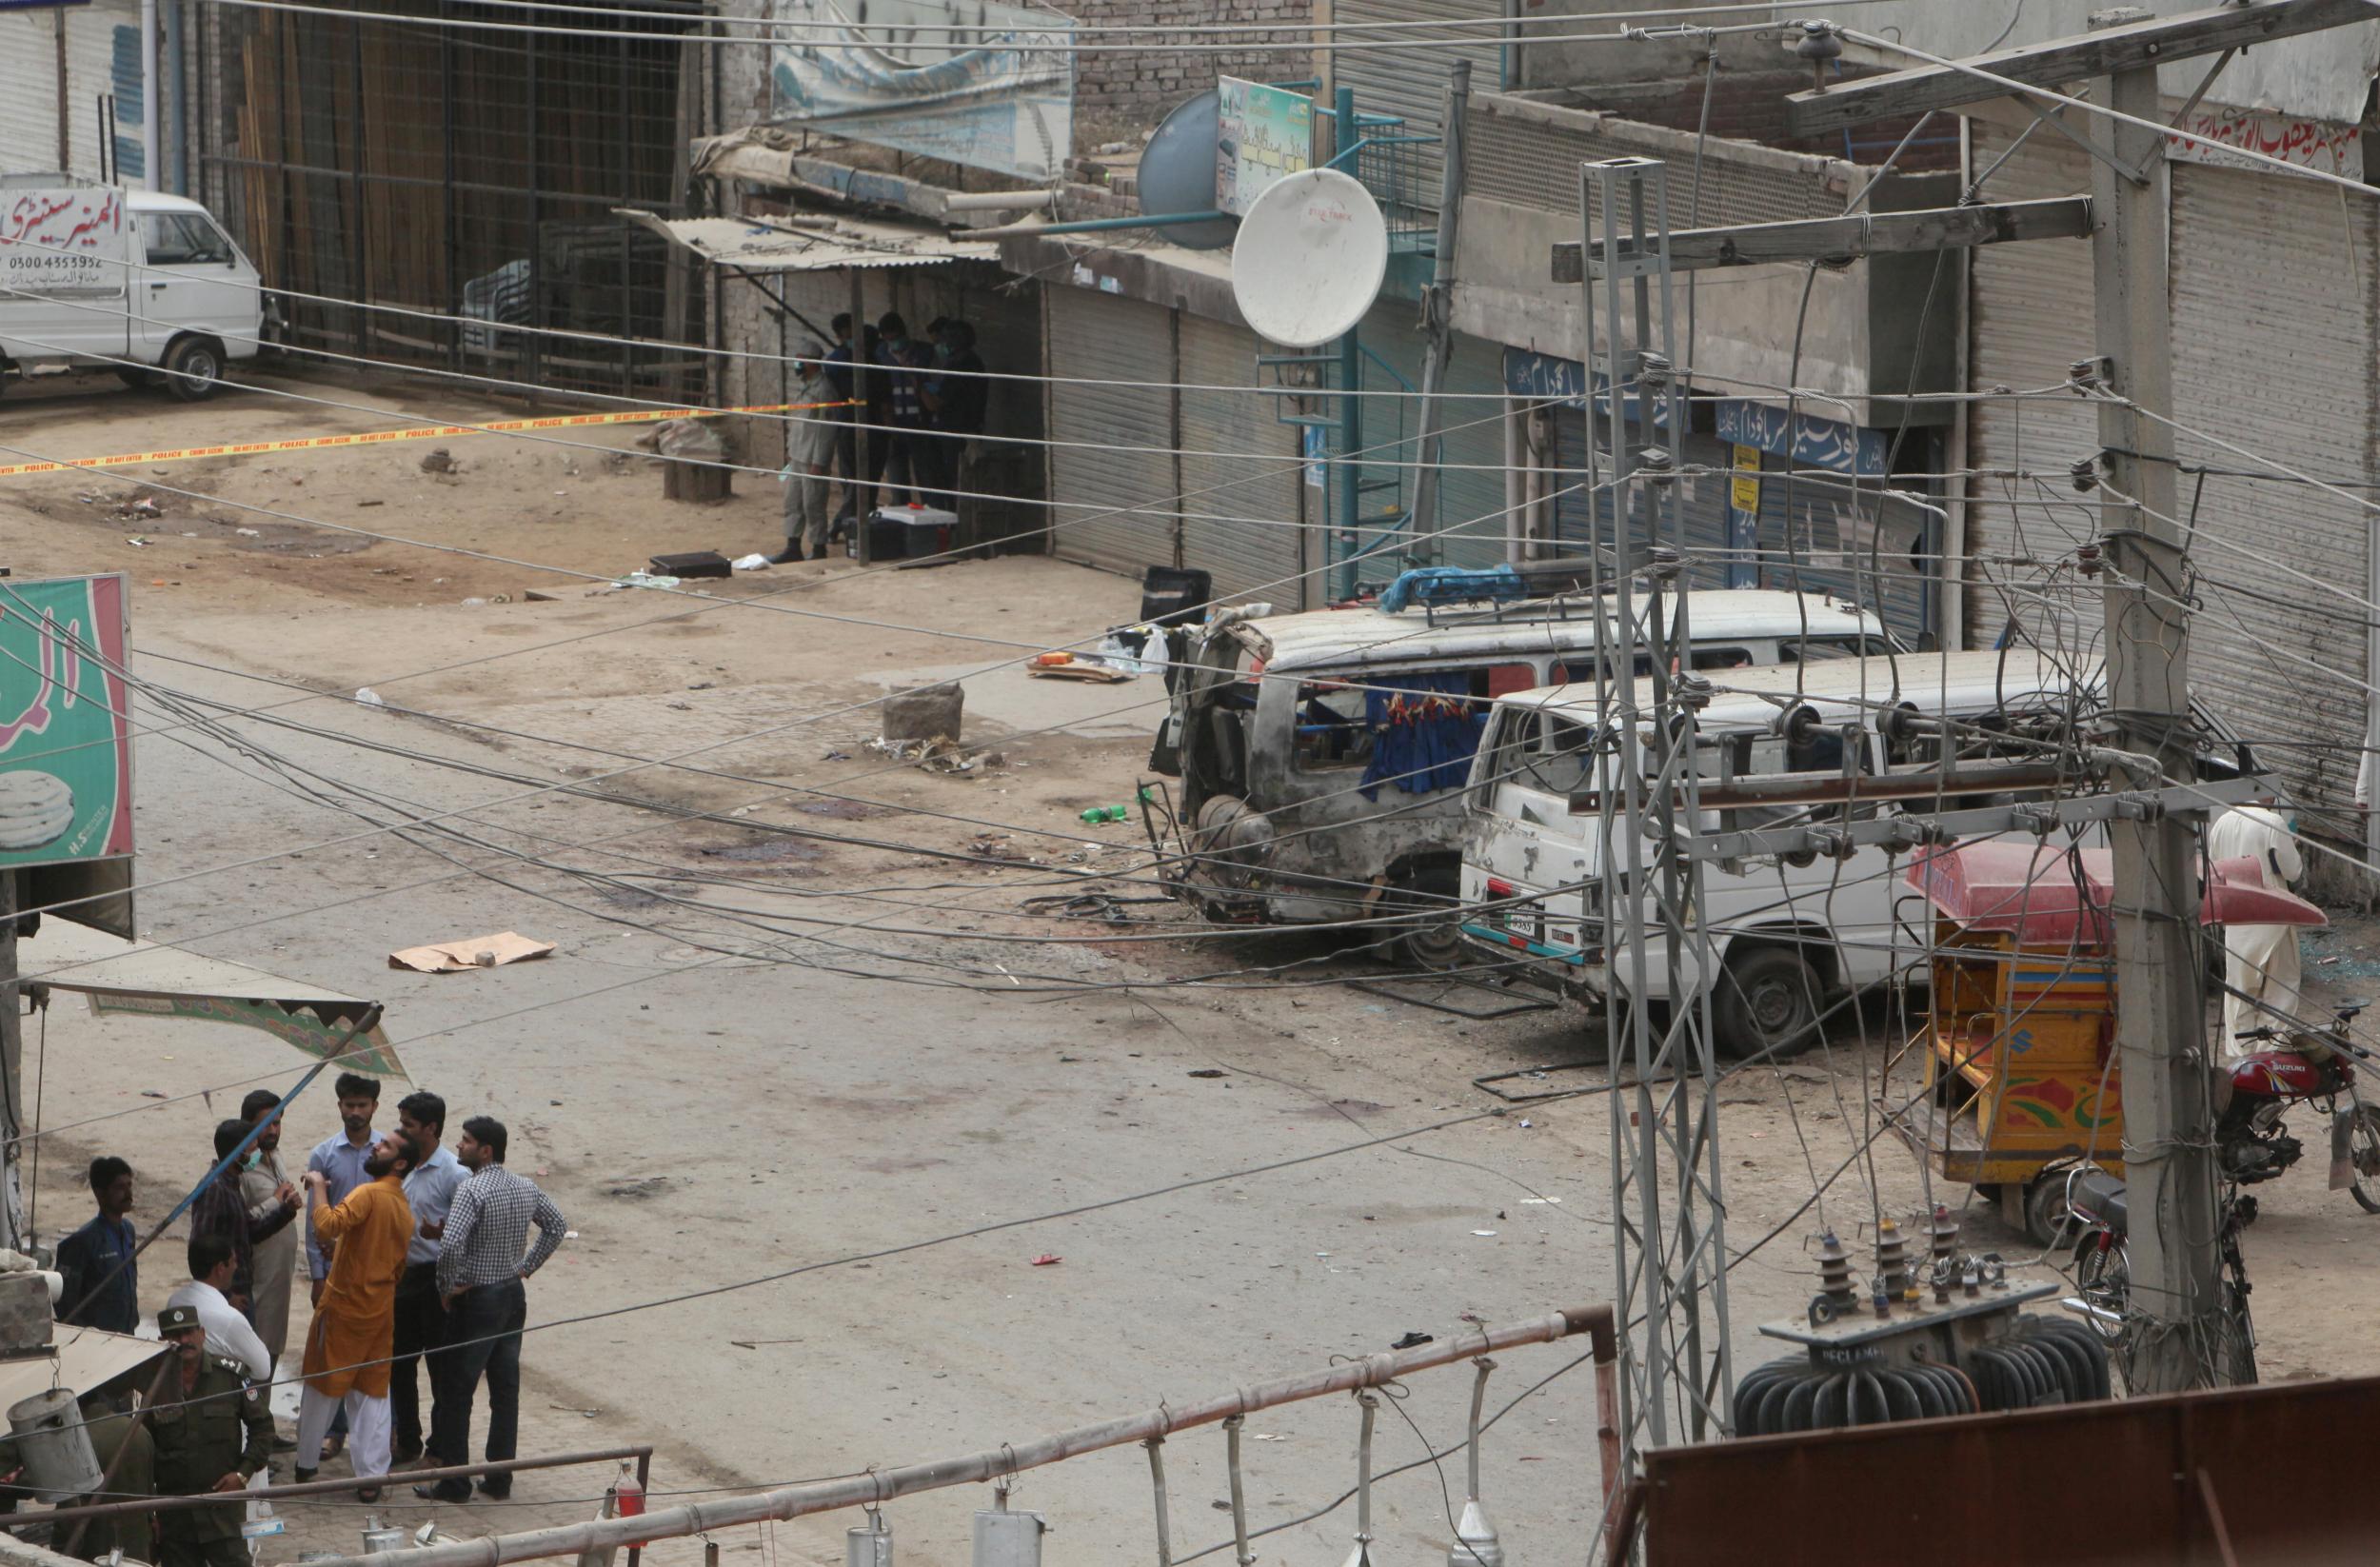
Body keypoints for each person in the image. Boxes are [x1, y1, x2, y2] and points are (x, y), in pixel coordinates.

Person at [417, 1118, 565, 1503]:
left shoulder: (471, 1189)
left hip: (477, 1299)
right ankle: (499, 1478)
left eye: (466, 1142)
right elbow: (556, 1225)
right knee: (504, 1389)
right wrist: (525, 1267)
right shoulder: (524, 1185)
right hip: (512, 1296)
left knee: (456, 1391)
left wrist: (446, 1287)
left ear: (485, 1150)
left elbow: (450, 1246)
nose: (459, 1146)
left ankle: (455, 1482)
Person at [294, 1128, 415, 1494]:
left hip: (345, 1308)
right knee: (373, 1396)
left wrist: (318, 1185)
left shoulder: (368, 1194)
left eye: (386, 1145)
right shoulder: (402, 1207)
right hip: (379, 1312)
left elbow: (326, 1225)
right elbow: (393, 1265)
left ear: (400, 1162)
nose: (377, 1145)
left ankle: (306, 1463)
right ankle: (370, 1479)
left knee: (321, 1386)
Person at [147, 1303, 273, 1567]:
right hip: (176, 1521)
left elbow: (263, 1429)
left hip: (222, 1516)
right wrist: (149, 1514)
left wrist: (243, 1474)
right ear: (162, 1341)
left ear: (202, 1334)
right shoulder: (154, 1385)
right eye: (175, 1335)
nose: (184, 1340)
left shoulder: (230, 1376)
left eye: (189, 1332)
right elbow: (143, 1450)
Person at [305, 1072, 380, 1465]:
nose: (355, 1112)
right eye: (349, 1105)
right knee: (332, 1355)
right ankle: (333, 1434)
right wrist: (317, 1274)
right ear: (339, 1107)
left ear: (374, 1108)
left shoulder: (386, 1152)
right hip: (334, 1274)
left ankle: (381, 1436)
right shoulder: (324, 1155)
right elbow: (313, 1221)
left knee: (374, 1356)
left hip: (374, 1273)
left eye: (362, 1105)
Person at [390, 1091, 464, 1468]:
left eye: (409, 1124)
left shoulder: (455, 1172)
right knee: (399, 1365)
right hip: (401, 1279)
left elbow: (472, 1228)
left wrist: (444, 1231)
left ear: (431, 1128)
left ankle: (439, 1448)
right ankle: (407, 1441)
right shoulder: (399, 1165)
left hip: (436, 1282)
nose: (401, 1129)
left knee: (439, 1370)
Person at [2211, 803, 2309, 1056]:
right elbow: (2293, 870)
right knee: (2280, 990)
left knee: (2238, 991)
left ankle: (2241, 1060)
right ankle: (2270, 1056)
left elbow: (2214, 868)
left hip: (2237, 919)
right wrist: (2293, 848)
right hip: (2272, 919)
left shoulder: (2221, 823)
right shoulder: (2273, 822)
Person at [188, 1119, 298, 1313]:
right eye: (252, 1150)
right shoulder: (214, 1189)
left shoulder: (232, 1183)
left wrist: (286, 1210)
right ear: (238, 1154)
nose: (256, 1154)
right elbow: (200, 1247)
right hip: (228, 1296)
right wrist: (225, 1296)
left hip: (242, 1287)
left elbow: (251, 1231)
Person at [238, 1088, 299, 1374]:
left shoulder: (274, 1157)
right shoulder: (240, 1170)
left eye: (277, 1122)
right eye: (266, 1124)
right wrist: (276, 1201)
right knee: (252, 1360)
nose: (273, 1130)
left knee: (270, 1354)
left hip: (279, 1284)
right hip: (256, 1283)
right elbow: (237, 1224)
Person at [166, 1234, 272, 1382]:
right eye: (233, 1261)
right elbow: (263, 1369)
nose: (236, 1266)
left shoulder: (174, 1301)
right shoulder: (230, 1319)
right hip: (216, 1398)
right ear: (221, 1269)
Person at [54, 1157, 137, 1332]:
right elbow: (63, 1301)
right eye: (120, 1187)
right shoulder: (82, 1242)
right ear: (100, 1193)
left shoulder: (128, 1231)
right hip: (96, 1340)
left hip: (127, 1334)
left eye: (129, 1185)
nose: (128, 1193)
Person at [773, 343, 839, 564]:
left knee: (814, 504)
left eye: (801, 359)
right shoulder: (804, 386)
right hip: (798, 455)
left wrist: (820, 461)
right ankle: (793, 546)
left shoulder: (824, 390)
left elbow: (826, 430)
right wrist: (790, 451)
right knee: (793, 502)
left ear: (812, 362)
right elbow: (798, 422)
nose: (797, 364)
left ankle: (819, 547)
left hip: (813, 457)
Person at [918, 317, 987, 512]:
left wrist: (918, 386)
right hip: (966, 432)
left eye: (943, 341)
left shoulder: (961, 365)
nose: (940, 345)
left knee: (955, 483)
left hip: (957, 435)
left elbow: (935, 404)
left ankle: (955, 526)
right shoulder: (973, 362)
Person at [871, 311, 930, 508]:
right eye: (888, 339)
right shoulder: (880, 355)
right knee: (897, 478)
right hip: (893, 426)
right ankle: (902, 518)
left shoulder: (924, 353)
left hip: (920, 425)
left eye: (895, 338)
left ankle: (932, 517)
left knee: (927, 477)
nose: (893, 343)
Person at [826, 313, 882, 527]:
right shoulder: (845, 360)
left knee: (856, 478)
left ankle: (855, 521)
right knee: (858, 479)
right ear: (843, 333)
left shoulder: (841, 359)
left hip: (861, 426)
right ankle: (845, 521)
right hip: (855, 425)